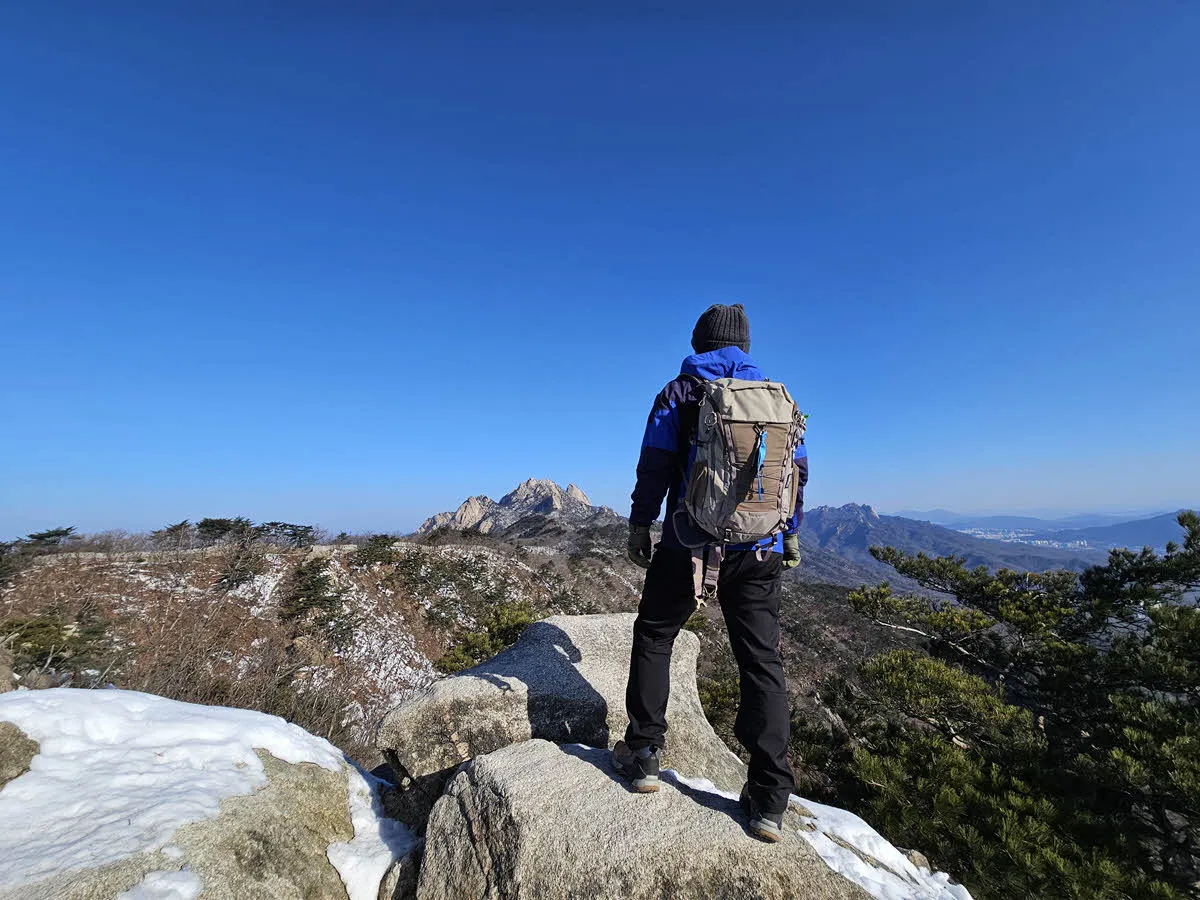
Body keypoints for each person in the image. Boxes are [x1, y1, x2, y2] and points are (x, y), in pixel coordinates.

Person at [611, 303, 807, 843]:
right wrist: (790, 534)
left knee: (656, 634)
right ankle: (769, 796)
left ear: (699, 343)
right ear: (744, 346)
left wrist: (639, 525)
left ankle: (644, 752)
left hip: (689, 543)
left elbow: (654, 466)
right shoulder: (778, 400)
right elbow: (797, 473)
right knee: (761, 661)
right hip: (760, 548)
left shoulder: (679, 393)